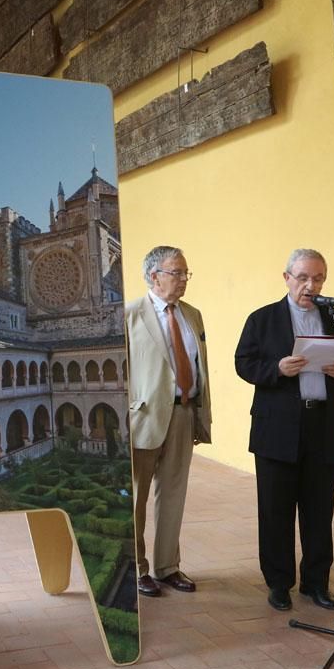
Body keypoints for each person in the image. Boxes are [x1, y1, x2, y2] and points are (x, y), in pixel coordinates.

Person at [234, 249, 334, 612]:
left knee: (319, 511)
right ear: (287, 277)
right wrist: (277, 368)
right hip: (276, 429)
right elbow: (243, 363)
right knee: (275, 511)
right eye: (304, 277)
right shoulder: (263, 320)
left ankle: (316, 583)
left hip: (323, 427)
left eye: (319, 278)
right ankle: (279, 583)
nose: (311, 285)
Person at [125, 246, 212, 597]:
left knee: (173, 494)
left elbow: (199, 365)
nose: (183, 280)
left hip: (183, 412)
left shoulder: (193, 315)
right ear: (153, 275)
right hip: (143, 418)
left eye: (186, 273)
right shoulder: (129, 314)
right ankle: (135, 568)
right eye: (176, 273)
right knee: (135, 497)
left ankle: (167, 567)